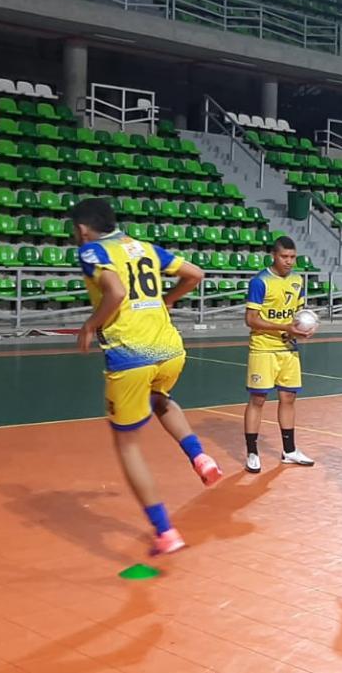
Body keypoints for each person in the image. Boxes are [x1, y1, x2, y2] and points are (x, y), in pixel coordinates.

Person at [72, 197, 222, 556]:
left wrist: (91, 324)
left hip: (130, 354)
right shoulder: (145, 248)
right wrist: (167, 301)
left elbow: (117, 291)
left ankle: (164, 531)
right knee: (160, 399)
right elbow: (196, 274)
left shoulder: (92, 251)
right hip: (169, 349)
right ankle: (200, 457)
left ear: (81, 229)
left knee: (127, 444)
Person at [243, 236, 316, 472]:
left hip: (288, 349)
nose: (289, 261)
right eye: (284, 257)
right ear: (274, 256)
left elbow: (298, 312)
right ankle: (252, 452)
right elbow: (251, 319)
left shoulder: (297, 280)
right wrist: (285, 327)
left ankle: (289, 450)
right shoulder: (260, 282)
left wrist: (304, 328)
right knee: (258, 399)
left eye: (293, 257)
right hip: (263, 348)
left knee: (289, 398)